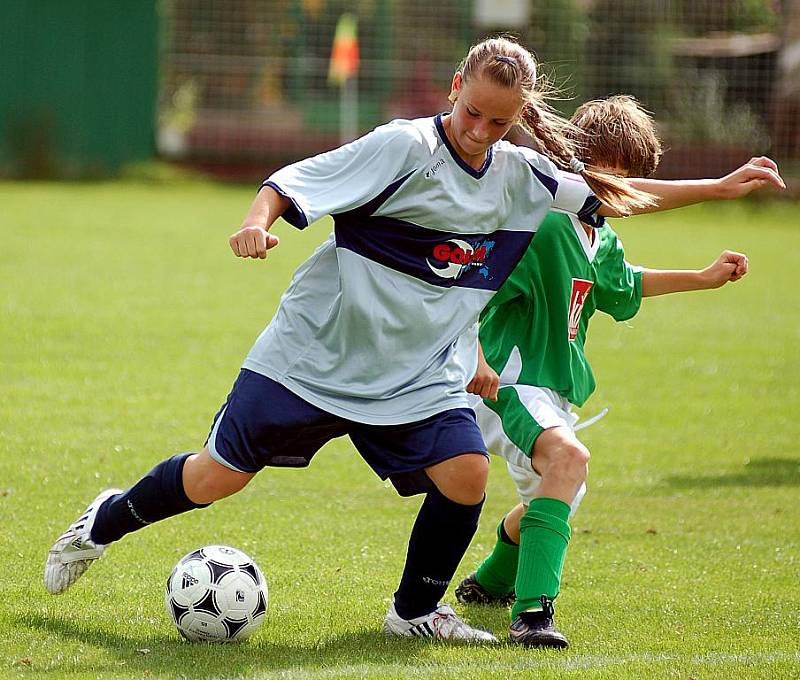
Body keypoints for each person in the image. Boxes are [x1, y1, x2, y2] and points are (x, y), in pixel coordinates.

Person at [44, 38, 783, 642]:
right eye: (473, 113)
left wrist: (718, 187)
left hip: (417, 373)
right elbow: (291, 181)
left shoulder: (522, 176)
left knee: (466, 476)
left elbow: (610, 193)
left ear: (518, 118)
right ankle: (102, 523)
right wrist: (255, 224)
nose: (481, 131)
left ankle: (415, 611)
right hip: (315, 356)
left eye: (499, 122)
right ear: (456, 87)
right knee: (215, 480)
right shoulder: (401, 148)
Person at [454, 95, 753, 648]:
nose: (620, 188)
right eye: (610, 171)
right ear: (579, 162)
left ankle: (490, 582)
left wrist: (704, 276)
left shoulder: (600, 236)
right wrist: (476, 358)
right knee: (568, 460)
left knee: (559, 492)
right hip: (507, 382)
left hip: (553, 390)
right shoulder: (542, 224)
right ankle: (533, 615)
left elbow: (626, 286)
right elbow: (471, 287)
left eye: (630, 176)